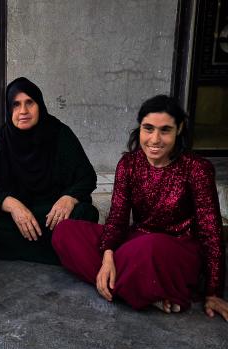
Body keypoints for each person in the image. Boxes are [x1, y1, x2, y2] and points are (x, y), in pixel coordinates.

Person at [52, 95, 228, 320]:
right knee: (66, 232)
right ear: (140, 128)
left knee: (148, 247)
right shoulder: (129, 164)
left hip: (175, 249)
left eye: (165, 130)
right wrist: (107, 257)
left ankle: (126, 285)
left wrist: (214, 291)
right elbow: (116, 218)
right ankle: (140, 289)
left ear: (179, 129)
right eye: (148, 128)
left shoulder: (197, 169)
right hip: (136, 242)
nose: (155, 139)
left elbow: (211, 233)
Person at [0, 77, 99, 265]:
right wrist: (13, 205)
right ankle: (58, 250)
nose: (23, 111)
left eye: (29, 103)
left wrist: (69, 198)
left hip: (52, 213)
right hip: (18, 215)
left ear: (39, 105)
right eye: (16, 105)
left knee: (85, 213)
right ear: (9, 109)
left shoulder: (59, 133)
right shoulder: (1, 139)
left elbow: (87, 177)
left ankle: (12, 247)